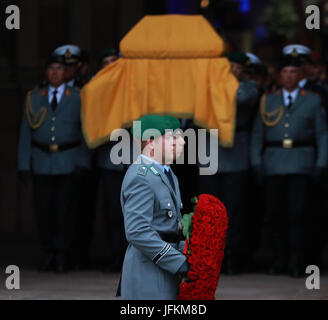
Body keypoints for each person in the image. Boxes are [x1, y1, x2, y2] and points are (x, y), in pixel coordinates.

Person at [250, 53, 328, 277]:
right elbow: (257, 134)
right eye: (285, 72)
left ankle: (297, 261)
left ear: (300, 75)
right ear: (279, 75)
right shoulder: (268, 99)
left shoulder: (312, 99)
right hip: (273, 163)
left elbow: (322, 134)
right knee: (275, 215)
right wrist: (256, 161)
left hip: (302, 163)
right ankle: (278, 260)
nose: (289, 76)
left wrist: (321, 163)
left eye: (293, 72)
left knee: (299, 216)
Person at [17, 54, 91, 273]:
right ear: (46, 71)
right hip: (41, 162)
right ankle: (48, 252)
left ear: (66, 72)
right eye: (51, 68)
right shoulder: (34, 97)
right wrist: (23, 165)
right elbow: (25, 133)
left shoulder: (77, 97)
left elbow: (85, 131)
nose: (55, 73)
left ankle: (62, 254)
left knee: (65, 212)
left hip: (68, 161)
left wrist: (83, 162)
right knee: (43, 211)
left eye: (60, 69)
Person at [198, 51, 258, 274]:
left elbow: (239, 98)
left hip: (235, 156)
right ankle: (209, 256)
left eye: (237, 67)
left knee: (233, 211)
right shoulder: (208, 85)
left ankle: (231, 255)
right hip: (209, 154)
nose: (233, 70)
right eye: (229, 66)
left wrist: (224, 81)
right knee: (207, 210)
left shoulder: (248, 87)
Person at [120, 115, 188, 300]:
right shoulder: (141, 177)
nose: (181, 141)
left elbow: (171, 228)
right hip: (149, 275)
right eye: (173, 137)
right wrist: (180, 262)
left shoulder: (167, 172)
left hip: (165, 270)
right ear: (151, 142)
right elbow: (137, 232)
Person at [95, 46, 127, 272]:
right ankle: (116, 255)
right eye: (106, 64)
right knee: (113, 211)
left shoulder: (136, 89)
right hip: (111, 158)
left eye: (114, 63)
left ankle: (133, 258)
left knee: (136, 212)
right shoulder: (97, 91)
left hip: (135, 158)